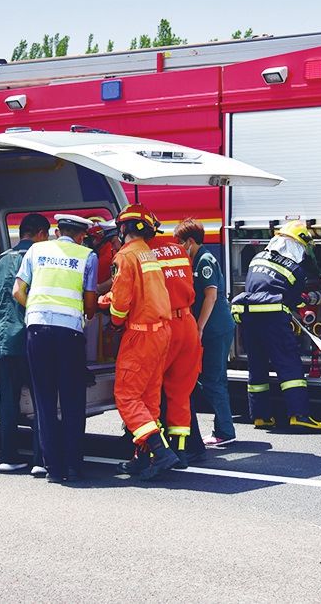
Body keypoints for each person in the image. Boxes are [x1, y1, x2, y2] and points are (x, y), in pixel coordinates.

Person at [13, 214, 98, 483]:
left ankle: (53, 469)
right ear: (81, 235)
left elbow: (17, 291)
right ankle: (73, 466)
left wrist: (37, 310)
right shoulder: (87, 256)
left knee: (44, 400)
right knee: (73, 400)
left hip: (37, 330)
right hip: (70, 334)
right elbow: (91, 303)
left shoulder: (36, 250)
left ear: (57, 231)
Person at [230, 219, 321, 432]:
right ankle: (299, 415)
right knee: (288, 365)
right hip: (273, 319)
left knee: (257, 367)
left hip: (248, 318)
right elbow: (295, 300)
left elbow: (253, 284)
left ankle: (261, 417)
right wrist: (311, 299)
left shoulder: (257, 257)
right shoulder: (294, 268)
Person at [106, 203, 180, 481]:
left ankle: (161, 453)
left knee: (126, 396)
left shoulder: (125, 257)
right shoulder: (149, 254)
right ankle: (141, 457)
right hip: (162, 331)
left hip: (140, 333)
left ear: (123, 228)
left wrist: (112, 318)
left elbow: (121, 304)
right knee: (148, 398)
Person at [0, 213, 50, 474]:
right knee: (40, 400)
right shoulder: (38, 260)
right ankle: (39, 460)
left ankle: (7, 456)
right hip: (30, 338)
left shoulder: (0, 260)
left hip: (3, 340)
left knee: (8, 401)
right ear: (40, 234)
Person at [175, 218, 236, 447]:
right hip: (213, 329)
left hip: (215, 329)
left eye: (181, 242)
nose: (180, 247)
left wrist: (199, 327)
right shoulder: (196, 259)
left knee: (213, 380)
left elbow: (210, 296)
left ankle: (224, 431)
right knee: (213, 379)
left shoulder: (205, 260)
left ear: (190, 241)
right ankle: (225, 428)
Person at [150, 232, 203, 467]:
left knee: (152, 390)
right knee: (181, 392)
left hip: (165, 325)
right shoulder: (177, 249)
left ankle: (159, 450)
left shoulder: (142, 253)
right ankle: (183, 450)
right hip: (188, 322)